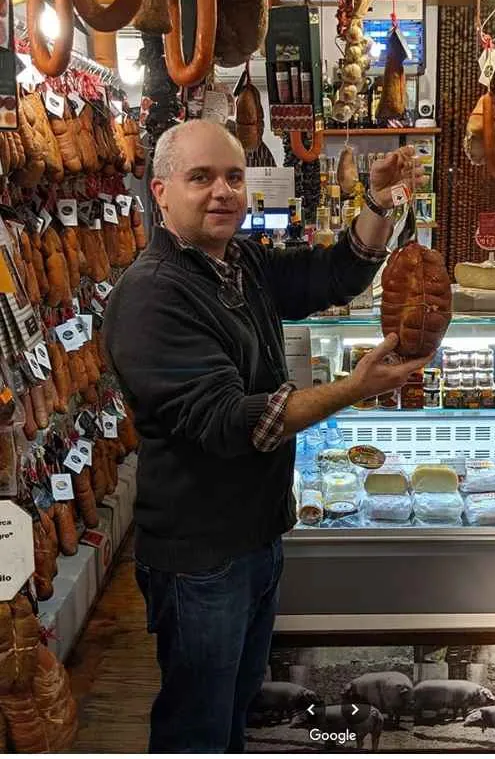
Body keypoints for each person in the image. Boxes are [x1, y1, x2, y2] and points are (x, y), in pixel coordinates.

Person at [103, 120, 430, 753]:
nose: (223, 192)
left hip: (256, 534)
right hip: (200, 557)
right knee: (196, 721)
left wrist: (375, 204)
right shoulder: (149, 298)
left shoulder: (238, 258)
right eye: (201, 177)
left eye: (233, 176)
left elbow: (329, 276)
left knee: (238, 704)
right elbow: (233, 421)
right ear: (161, 191)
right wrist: (352, 389)